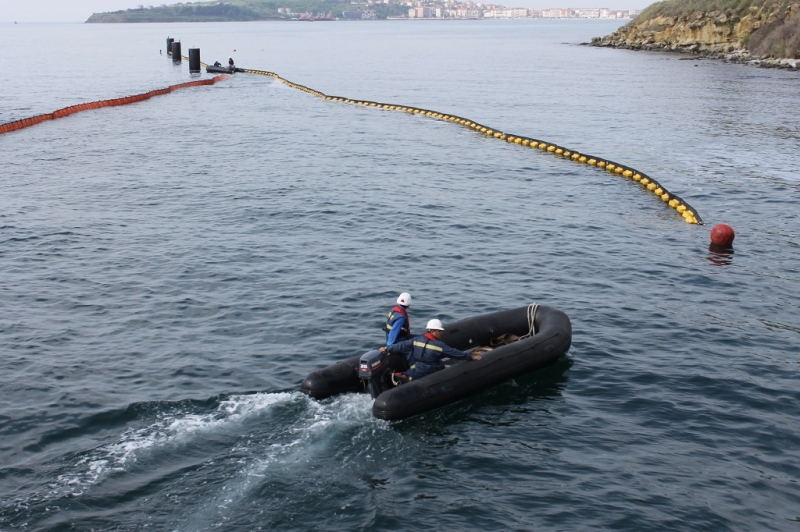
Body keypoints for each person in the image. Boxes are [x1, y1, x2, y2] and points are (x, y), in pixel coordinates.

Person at [380, 319, 481, 382]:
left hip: (419, 368)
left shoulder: (416, 340)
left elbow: (401, 346)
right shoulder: (439, 345)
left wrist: (387, 348)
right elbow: (455, 353)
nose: (441, 333)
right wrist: (471, 357)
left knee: (412, 372)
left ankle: (404, 376)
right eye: (439, 331)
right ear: (432, 331)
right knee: (443, 366)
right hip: (431, 370)